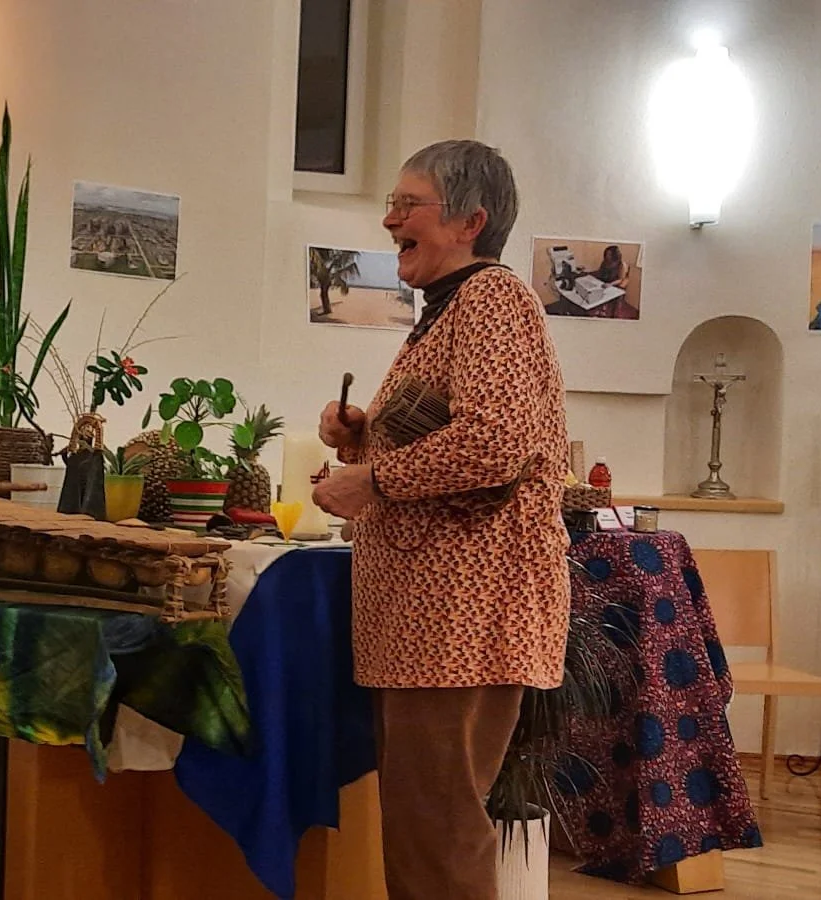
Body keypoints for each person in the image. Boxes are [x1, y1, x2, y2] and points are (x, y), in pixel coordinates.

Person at [312, 139, 570, 900]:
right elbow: (459, 434)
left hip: (464, 611)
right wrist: (363, 436)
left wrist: (373, 479)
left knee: (438, 826)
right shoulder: (453, 308)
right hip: (433, 614)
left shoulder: (491, 299)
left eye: (407, 204)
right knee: (425, 823)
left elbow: (498, 442)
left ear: (471, 221)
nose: (390, 219)